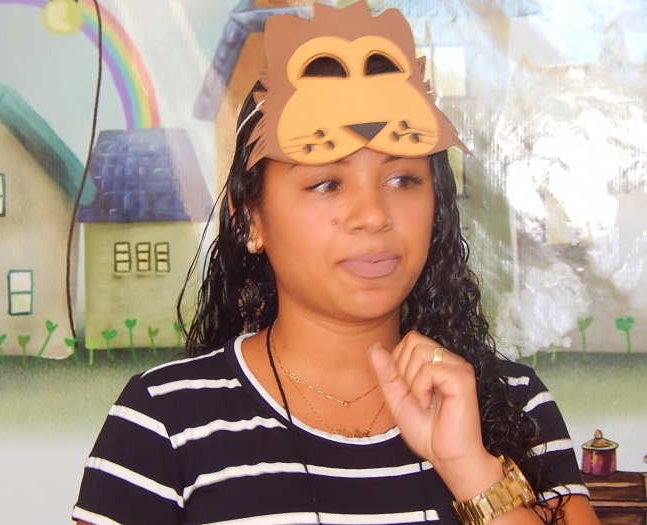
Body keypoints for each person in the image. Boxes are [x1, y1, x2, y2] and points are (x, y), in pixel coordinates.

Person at [73, 2, 600, 524]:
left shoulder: (514, 405)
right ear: (249, 218)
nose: (373, 215)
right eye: (326, 183)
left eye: (403, 179)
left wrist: (471, 471)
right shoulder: (162, 422)